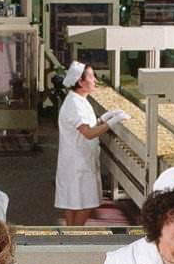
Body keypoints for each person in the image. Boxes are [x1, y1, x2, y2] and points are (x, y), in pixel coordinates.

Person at [55, 61, 129, 226]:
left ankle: (71, 238)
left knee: (74, 203)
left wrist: (104, 118)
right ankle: (76, 238)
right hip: (77, 164)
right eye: (91, 76)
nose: (95, 79)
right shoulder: (74, 104)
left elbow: (87, 125)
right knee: (83, 204)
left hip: (79, 161)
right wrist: (112, 122)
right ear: (80, 82)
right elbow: (88, 133)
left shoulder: (80, 100)